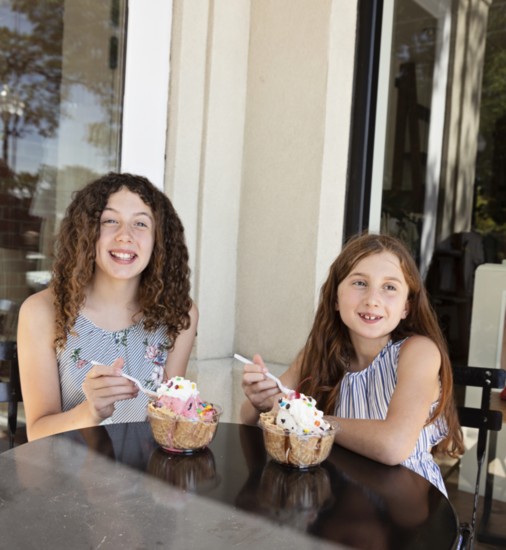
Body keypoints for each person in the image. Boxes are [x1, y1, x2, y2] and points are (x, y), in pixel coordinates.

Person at [241, 232, 464, 495]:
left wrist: (311, 420)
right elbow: (248, 421)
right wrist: (259, 401)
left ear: (407, 307)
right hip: (340, 499)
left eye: (390, 287)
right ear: (335, 298)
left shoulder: (418, 352)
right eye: (359, 283)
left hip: (409, 506)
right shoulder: (317, 353)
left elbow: (394, 445)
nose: (372, 299)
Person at [18, 172, 198, 441]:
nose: (125, 236)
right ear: (87, 232)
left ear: (160, 240)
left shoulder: (178, 314)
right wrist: (90, 412)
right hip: (66, 479)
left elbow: (168, 418)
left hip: (146, 477)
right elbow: (37, 432)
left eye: (140, 223)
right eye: (110, 220)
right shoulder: (42, 312)